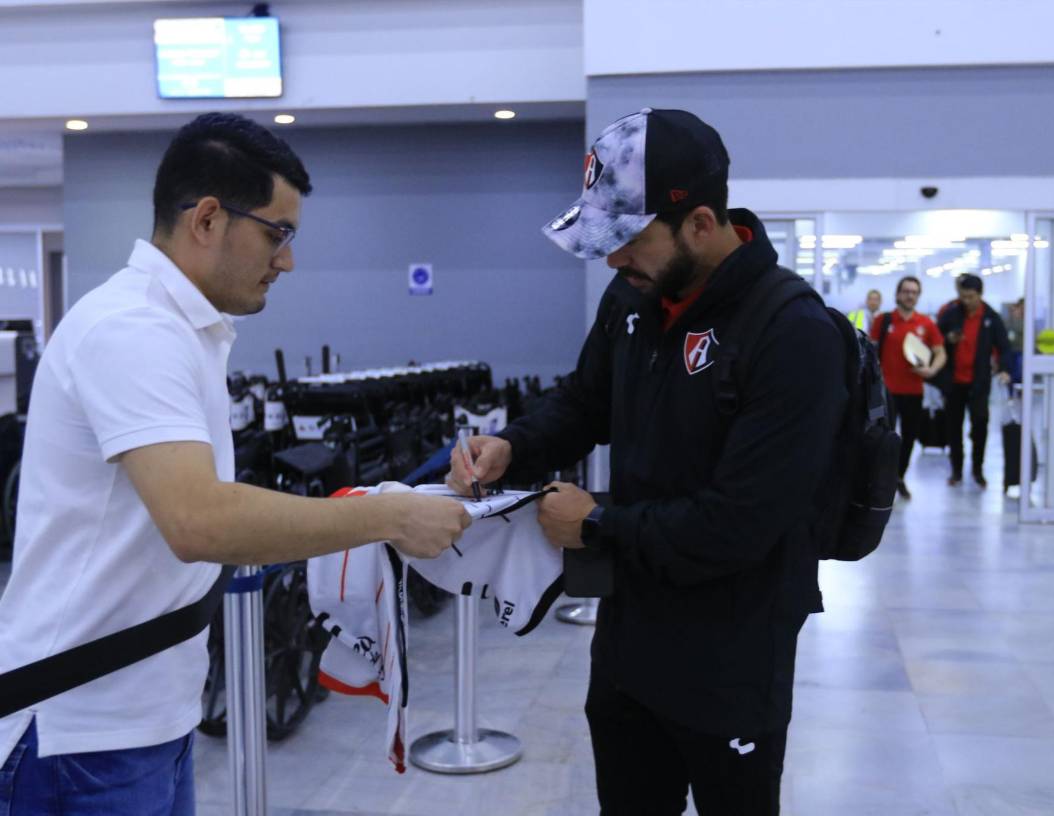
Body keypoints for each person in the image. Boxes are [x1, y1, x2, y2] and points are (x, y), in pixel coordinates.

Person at [0, 113, 470, 815]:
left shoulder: (182, 329)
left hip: (147, 713)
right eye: (278, 234)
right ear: (209, 219)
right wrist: (391, 516)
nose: (287, 260)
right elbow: (199, 522)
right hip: (81, 729)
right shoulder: (132, 330)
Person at [448, 108, 847, 815]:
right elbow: (583, 404)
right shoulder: (633, 299)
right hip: (630, 643)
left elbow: (740, 524)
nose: (612, 259)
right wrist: (515, 446)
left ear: (700, 224)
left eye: (628, 239)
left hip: (735, 653)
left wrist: (597, 526)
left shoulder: (792, 334)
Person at [870, 275, 946, 499]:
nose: (910, 295)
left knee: (909, 437)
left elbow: (941, 352)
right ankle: (881, 480)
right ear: (897, 294)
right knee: (884, 439)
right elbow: (872, 351)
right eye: (906, 291)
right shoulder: (883, 321)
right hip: (887, 392)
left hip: (914, 392)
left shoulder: (926, 324)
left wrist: (932, 369)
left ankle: (899, 477)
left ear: (918, 296)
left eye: (914, 292)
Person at [937, 273, 1012, 488]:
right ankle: (956, 471)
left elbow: (1004, 346)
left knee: (980, 426)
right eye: (963, 296)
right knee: (953, 428)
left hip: (979, 382)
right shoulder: (951, 314)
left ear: (980, 294)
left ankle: (978, 470)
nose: (966, 301)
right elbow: (934, 338)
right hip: (953, 382)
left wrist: (1005, 369)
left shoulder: (991, 318)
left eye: (970, 296)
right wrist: (948, 340)